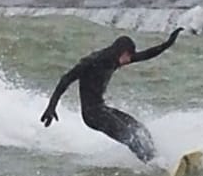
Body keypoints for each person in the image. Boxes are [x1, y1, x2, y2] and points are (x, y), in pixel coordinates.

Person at [39, 30, 182, 163]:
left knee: (139, 128)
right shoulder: (94, 61)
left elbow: (145, 55)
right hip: (92, 115)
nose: (130, 60)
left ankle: (157, 158)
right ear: (121, 52)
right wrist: (51, 107)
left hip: (102, 109)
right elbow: (65, 79)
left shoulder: (115, 59)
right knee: (129, 136)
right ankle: (153, 164)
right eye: (128, 55)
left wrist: (168, 44)